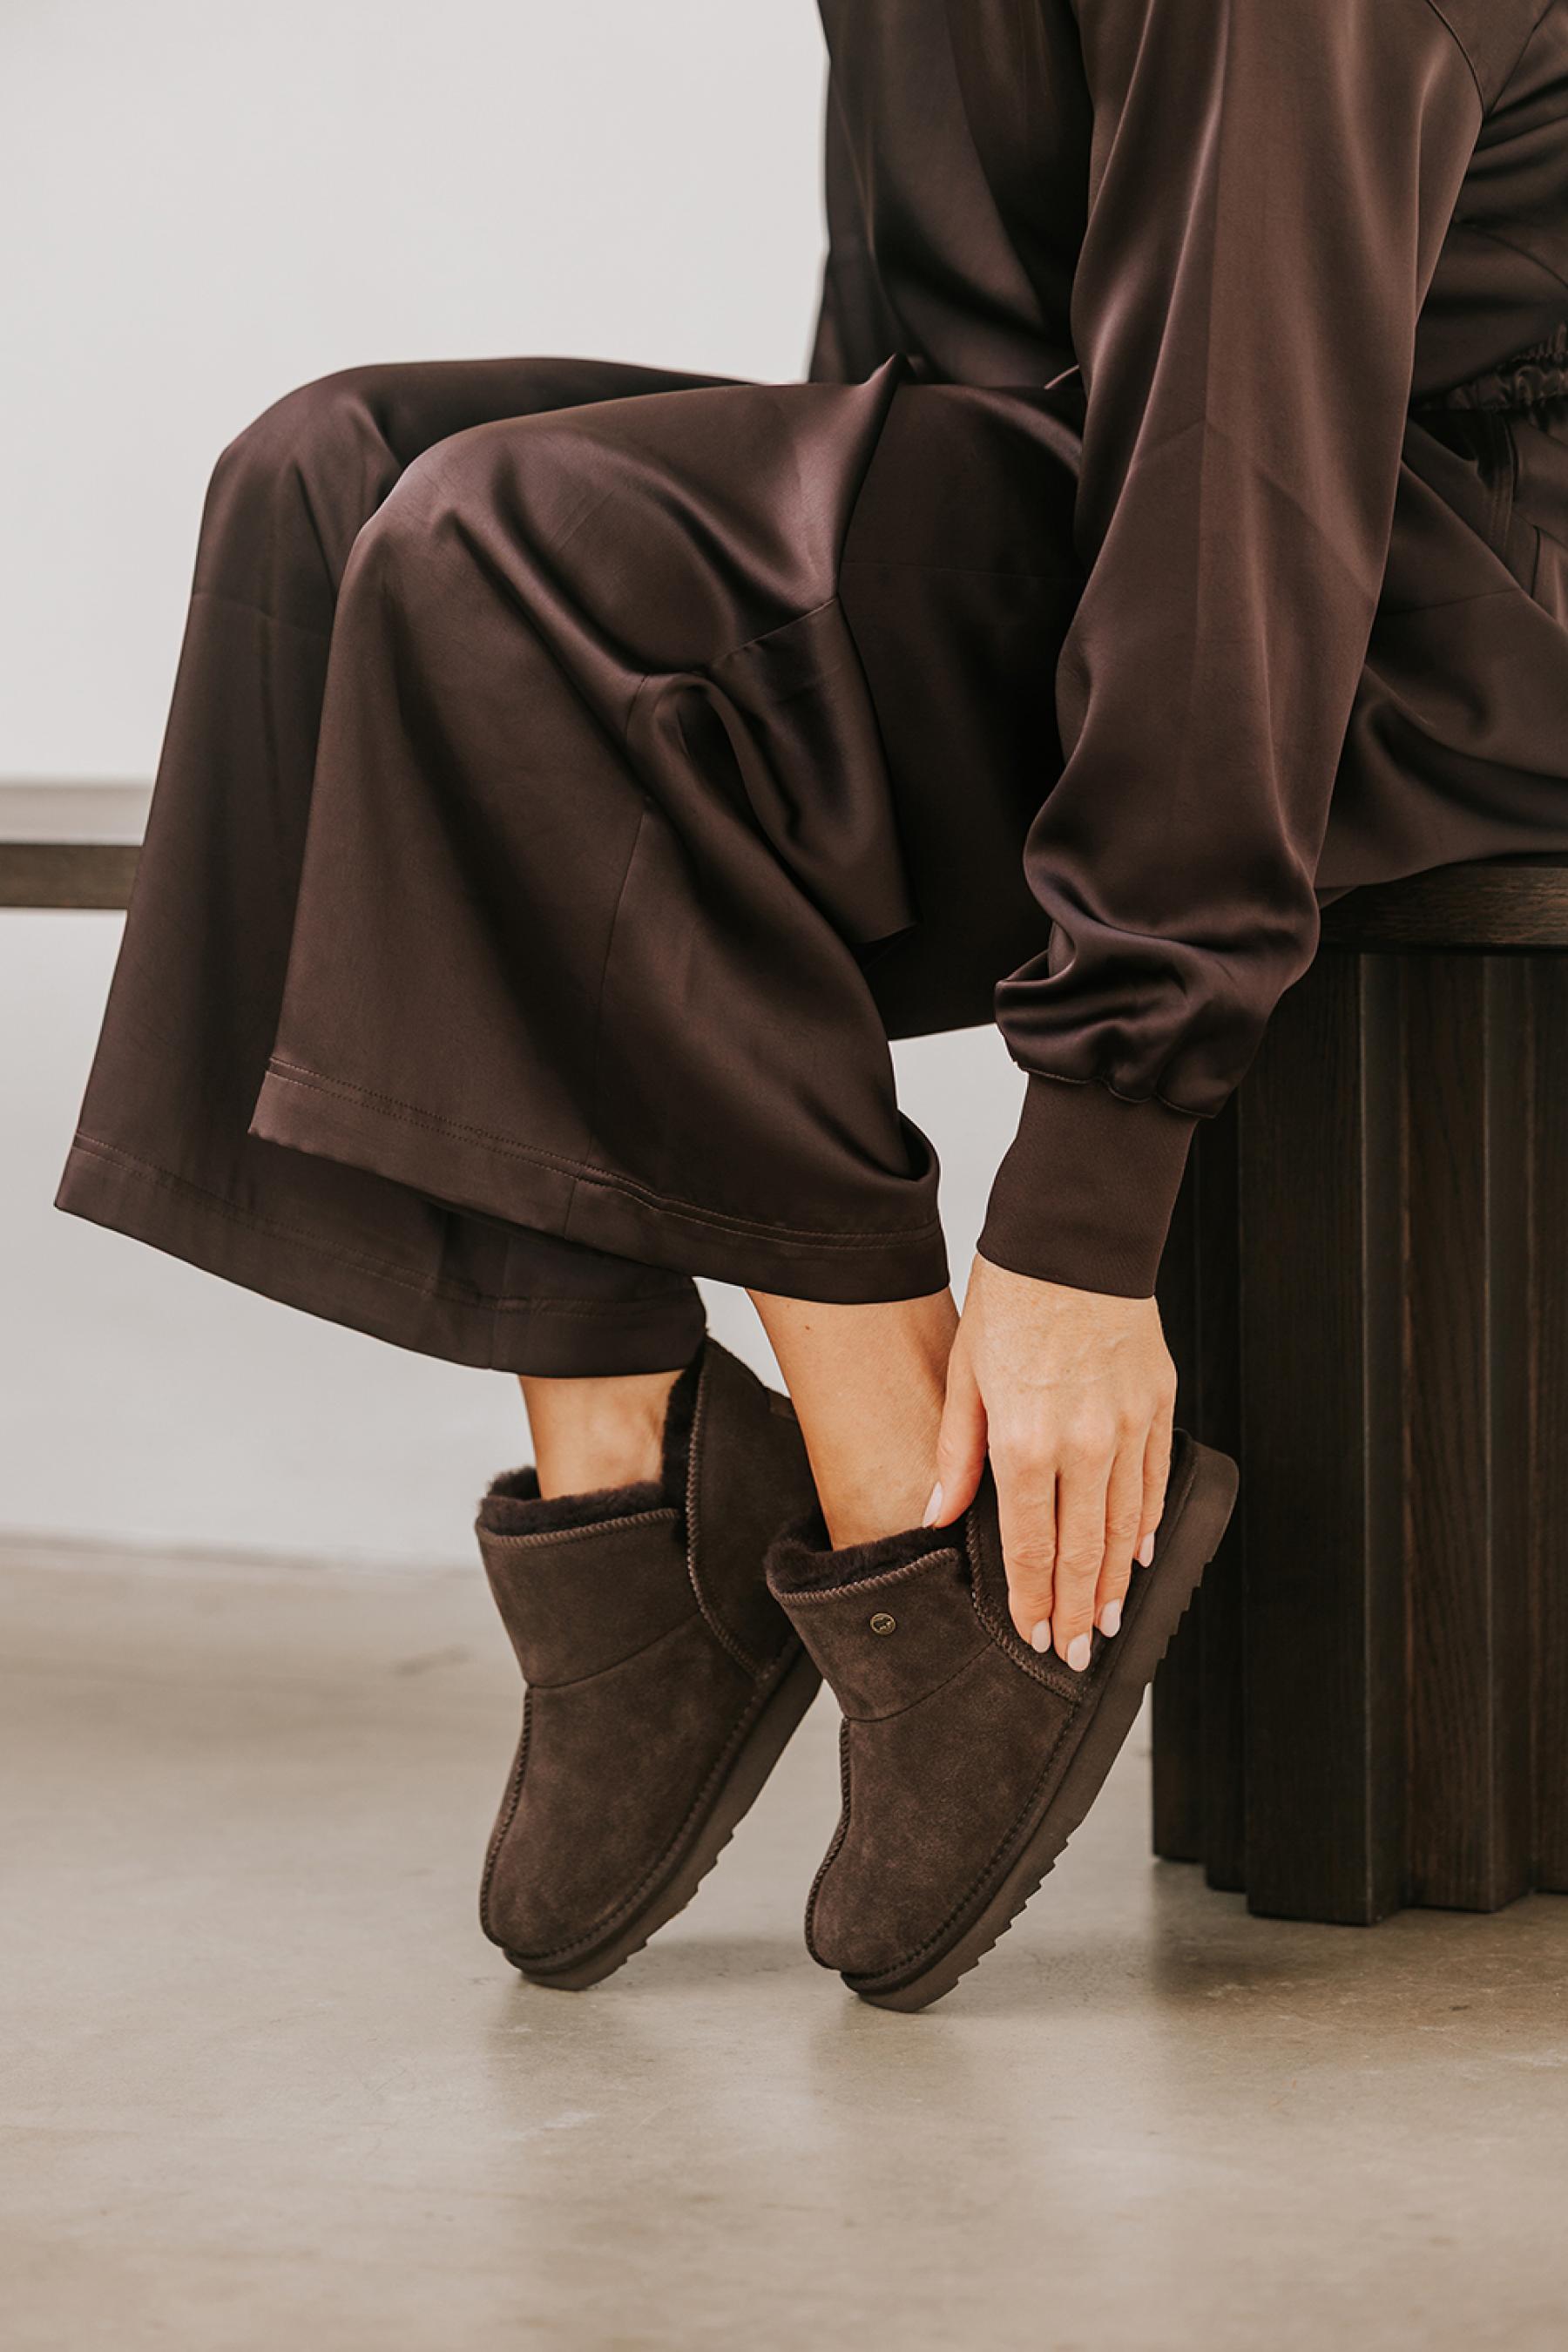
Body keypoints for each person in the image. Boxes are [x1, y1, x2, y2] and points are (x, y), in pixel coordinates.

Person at [58, 0, 1568, 2009]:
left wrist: (1087, 1217)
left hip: (1425, 575)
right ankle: (632, 1482)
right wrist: (742, 725)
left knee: (519, 551)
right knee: (332, 485)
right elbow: (906, 370)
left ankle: (912, 1532)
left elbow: (1246, 467)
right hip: (1107, 488)